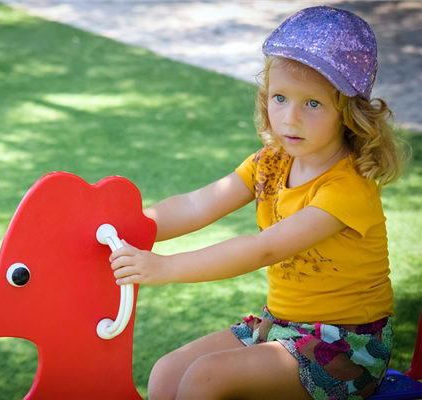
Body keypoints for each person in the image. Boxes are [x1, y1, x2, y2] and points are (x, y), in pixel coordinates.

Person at [109, 6, 406, 400]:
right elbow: (199, 205)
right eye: (280, 98)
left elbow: (262, 248)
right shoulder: (271, 162)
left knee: (206, 377)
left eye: (312, 104)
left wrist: (164, 268)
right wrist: (132, 227)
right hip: (280, 326)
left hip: (348, 347)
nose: (290, 119)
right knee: (167, 373)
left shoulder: (346, 188)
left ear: (348, 112)